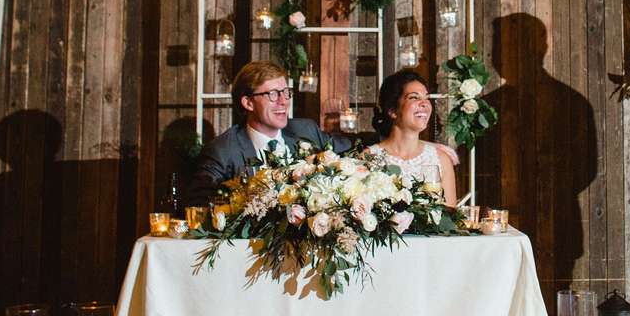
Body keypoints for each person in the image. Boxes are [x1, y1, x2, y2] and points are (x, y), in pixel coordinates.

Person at [183, 60, 354, 209]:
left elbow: (351, 149)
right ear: (248, 102)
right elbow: (198, 206)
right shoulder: (223, 151)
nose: (284, 101)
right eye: (273, 94)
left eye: (286, 92)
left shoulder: (306, 131)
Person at [369, 69, 460, 207]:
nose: (425, 104)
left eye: (426, 98)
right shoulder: (369, 158)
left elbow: (450, 218)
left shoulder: (441, 159)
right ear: (392, 110)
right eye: (414, 97)